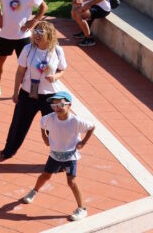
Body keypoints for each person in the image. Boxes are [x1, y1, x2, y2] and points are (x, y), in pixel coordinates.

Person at [20, 91, 96, 221]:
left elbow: (92, 127)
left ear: (69, 105)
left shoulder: (76, 121)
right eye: (54, 106)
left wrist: (83, 142)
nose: (57, 109)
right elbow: (42, 125)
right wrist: (44, 137)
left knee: (71, 182)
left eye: (60, 105)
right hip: (54, 155)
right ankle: (34, 191)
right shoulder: (48, 118)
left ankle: (82, 209)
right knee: (45, 176)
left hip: (70, 156)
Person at [0, 20, 67, 159]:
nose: (37, 35)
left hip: (51, 96)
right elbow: (20, 71)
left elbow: (62, 70)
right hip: (28, 93)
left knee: (54, 127)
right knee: (19, 123)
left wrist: (55, 76)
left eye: (40, 32)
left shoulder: (58, 51)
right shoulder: (28, 49)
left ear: (49, 34)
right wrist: (15, 91)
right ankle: (9, 149)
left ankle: (59, 156)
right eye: (35, 31)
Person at [0, 0, 47, 99]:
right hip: (5, 35)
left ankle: (26, 89)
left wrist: (34, 20)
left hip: (23, 36)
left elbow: (44, 7)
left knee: (28, 64)